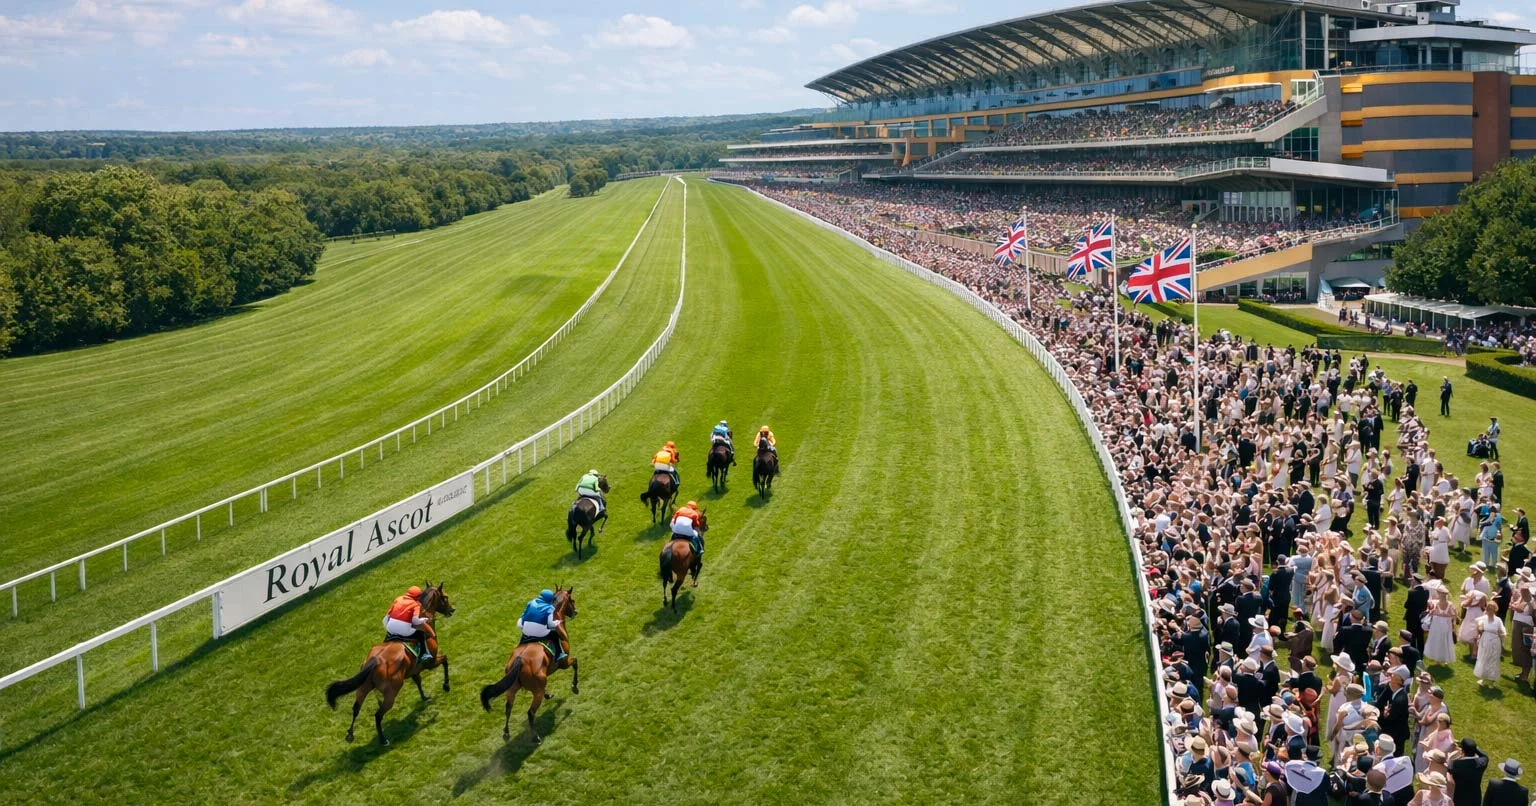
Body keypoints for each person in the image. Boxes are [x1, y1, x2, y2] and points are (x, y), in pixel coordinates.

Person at [382, 585, 432, 662]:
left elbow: (388, 615)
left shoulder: (398, 599)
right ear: (417, 597)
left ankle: (384, 645)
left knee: (389, 634)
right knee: (421, 634)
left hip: (390, 627)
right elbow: (415, 621)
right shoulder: (416, 605)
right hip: (404, 630)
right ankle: (424, 654)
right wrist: (424, 619)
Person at [517, 589, 566, 662]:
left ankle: (519, 647)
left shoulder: (530, 603)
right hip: (540, 634)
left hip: (525, 631)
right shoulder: (550, 608)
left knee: (525, 635)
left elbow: (523, 616)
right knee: (555, 634)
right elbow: (550, 625)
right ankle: (559, 654)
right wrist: (557, 622)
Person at [1448, 737, 1488, 806]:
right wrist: (1474, 747)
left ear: (1463, 751)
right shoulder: (1481, 763)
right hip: (1475, 799)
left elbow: (1449, 766)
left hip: (1459, 799)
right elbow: (1484, 756)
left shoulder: (1455, 764)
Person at [1474, 609, 1506, 688]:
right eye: (1488, 609)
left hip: (1494, 641)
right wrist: (1479, 628)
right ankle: (1482, 678)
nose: (1490, 611)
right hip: (1485, 640)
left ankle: (1491, 681)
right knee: (1484, 658)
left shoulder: (1498, 620)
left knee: (1493, 660)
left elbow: (1503, 631)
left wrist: (1501, 637)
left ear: (1495, 610)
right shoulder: (1484, 618)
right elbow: (1476, 622)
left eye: (1491, 610)